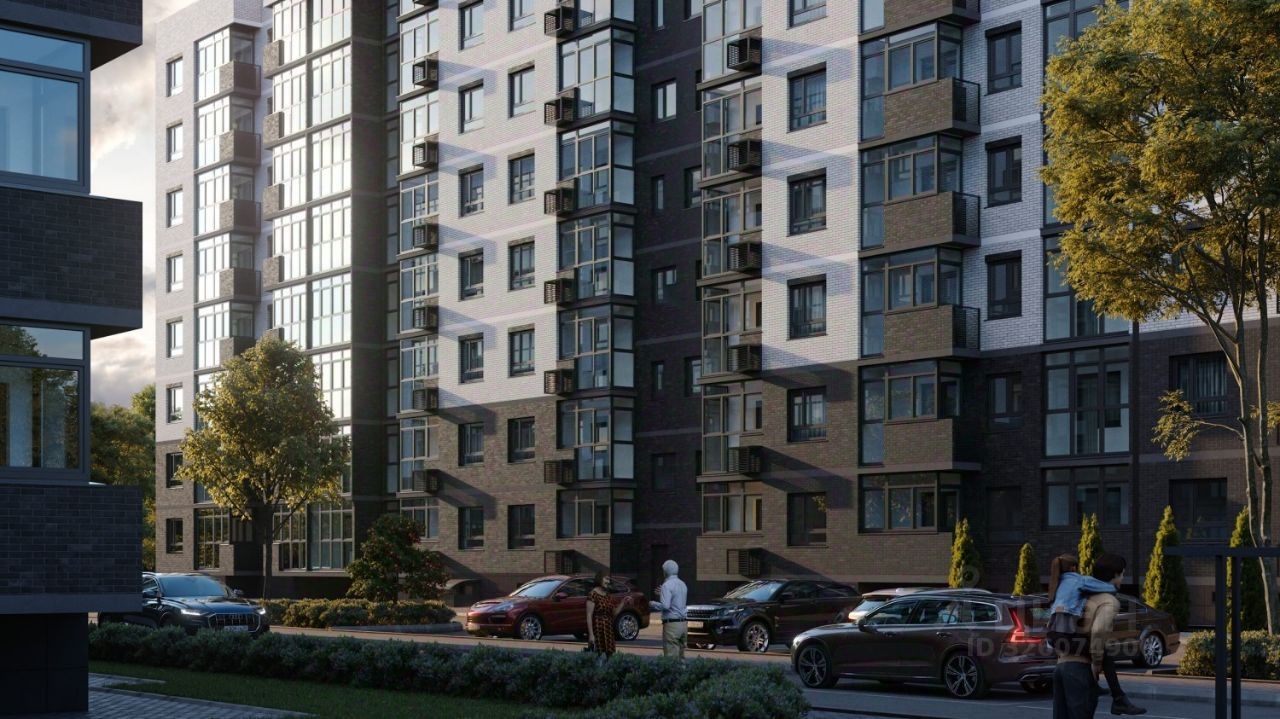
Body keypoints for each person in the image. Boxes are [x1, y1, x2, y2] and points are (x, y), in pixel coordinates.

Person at [1047, 554, 1146, 716]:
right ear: (1115, 574)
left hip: (1060, 667)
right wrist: (1097, 663)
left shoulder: (1081, 594)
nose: (1122, 578)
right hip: (1080, 669)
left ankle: (1119, 698)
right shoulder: (1108, 600)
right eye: (1122, 574)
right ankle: (1119, 698)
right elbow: (1099, 631)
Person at [648, 559, 688, 659]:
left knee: (671, 657)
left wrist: (653, 604)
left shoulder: (667, 585)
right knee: (681, 657)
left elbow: (666, 606)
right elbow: (676, 600)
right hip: (683, 624)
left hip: (672, 625)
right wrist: (663, 594)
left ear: (665, 572)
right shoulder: (683, 584)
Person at [585, 571, 618, 657]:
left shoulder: (608, 595)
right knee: (598, 655)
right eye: (606, 579)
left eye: (609, 579)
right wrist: (591, 635)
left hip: (608, 629)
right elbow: (589, 615)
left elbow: (614, 613)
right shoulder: (593, 594)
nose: (608, 581)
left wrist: (623, 603)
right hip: (598, 629)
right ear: (600, 579)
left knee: (610, 655)